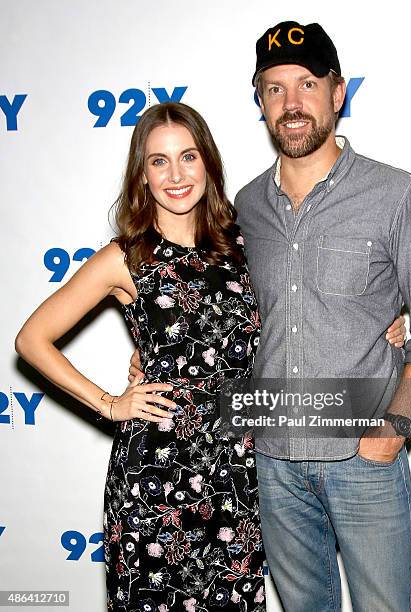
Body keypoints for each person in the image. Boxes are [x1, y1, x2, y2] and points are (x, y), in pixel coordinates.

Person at [125, 24, 411, 612]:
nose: (292, 102)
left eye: (308, 84)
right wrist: (149, 354)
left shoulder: (396, 193)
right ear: (259, 102)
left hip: (363, 455)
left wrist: (394, 430)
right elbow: (209, 309)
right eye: (275, 88)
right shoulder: (242, 211)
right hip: (269, 460)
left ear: (337, 93)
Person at [15, 102, 266, 611]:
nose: (176, 174)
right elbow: (32, 339)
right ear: (142, 174)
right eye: (158, 161)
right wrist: (110, 404)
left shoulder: (244, 245)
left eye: (188, 156)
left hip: (239, 474)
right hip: (156, 473)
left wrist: (390, 321)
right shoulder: (125, 257)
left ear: (208, 164)